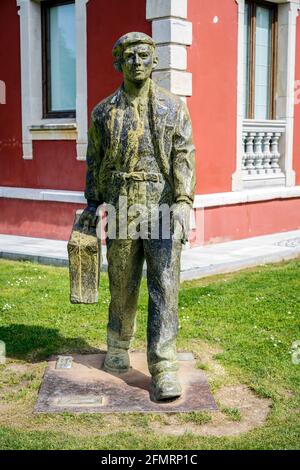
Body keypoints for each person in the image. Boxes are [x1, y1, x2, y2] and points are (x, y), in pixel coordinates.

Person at [79, 32, 195, 401]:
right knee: (122, 277)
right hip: (122, 202)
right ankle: (117, 345)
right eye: (128, 56)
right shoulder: (103, 112)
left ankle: (163, 365)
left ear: (154, 60)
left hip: (161, 202)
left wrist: (183, 201)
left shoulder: (172, 108)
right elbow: (94, 162)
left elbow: (183, 154)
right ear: (119, 63)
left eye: (143, 55)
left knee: (164, 283)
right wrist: (92, 204)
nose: (136, 62)